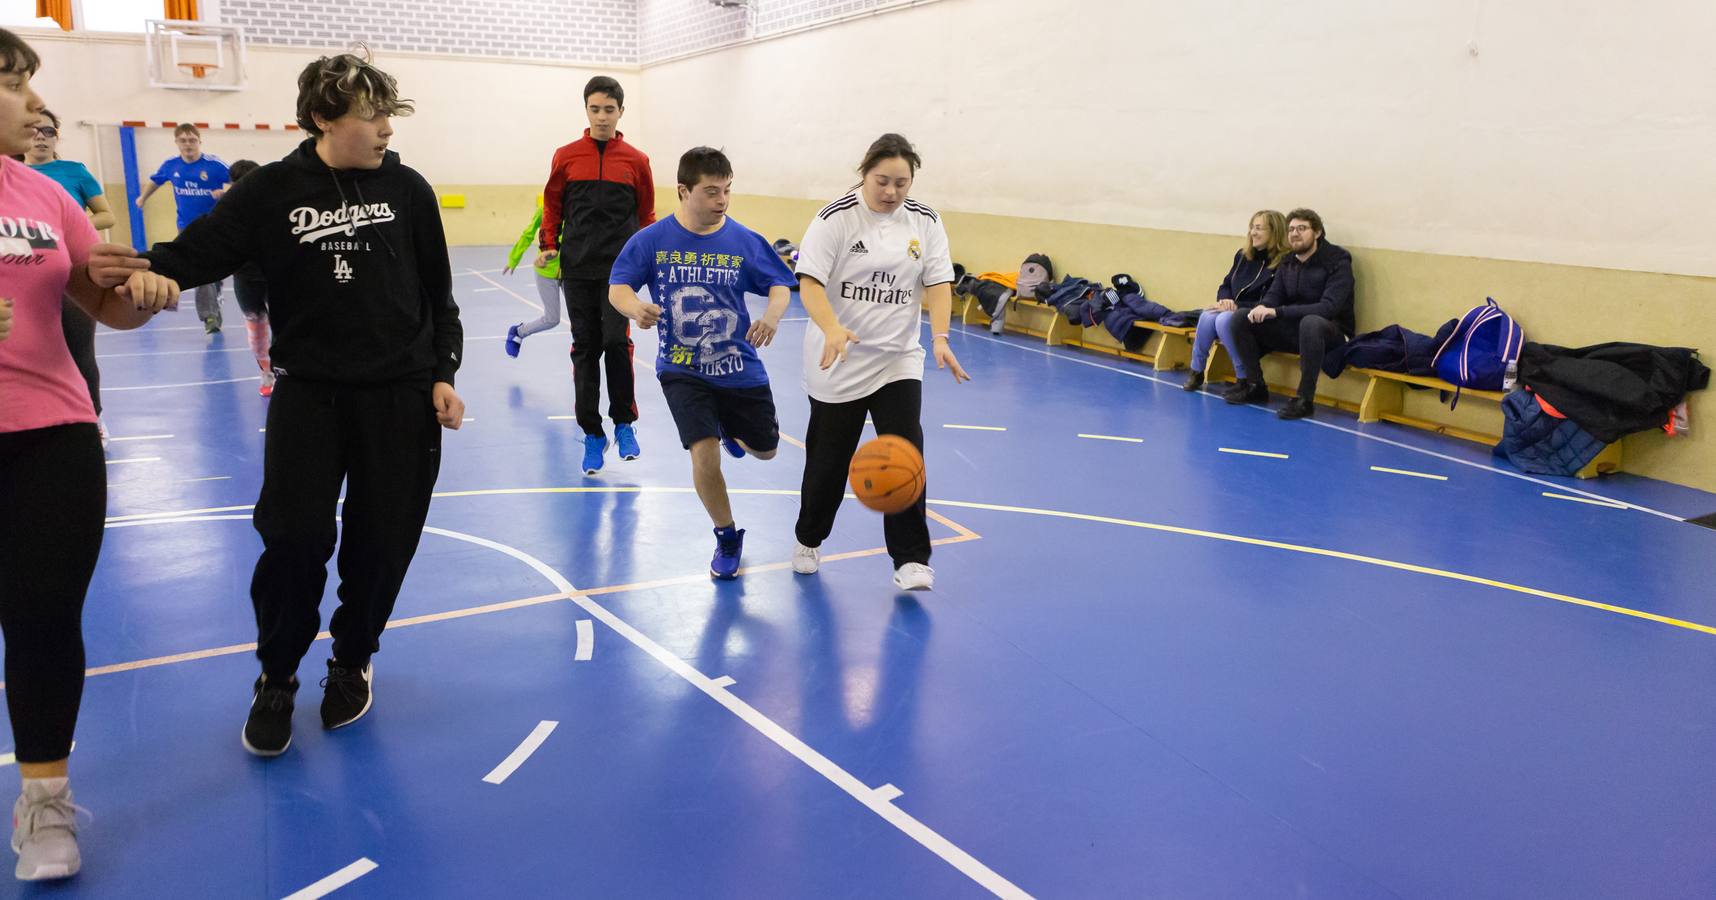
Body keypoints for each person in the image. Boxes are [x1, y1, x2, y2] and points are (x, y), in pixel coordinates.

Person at [140, 52, 466, 758]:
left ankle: (352, 660)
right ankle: (278, 675)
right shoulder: (272, 192)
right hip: (309, 396)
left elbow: (439, 297)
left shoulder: (409, 190)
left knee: (382, 545)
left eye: (389, 115)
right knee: (292, 544)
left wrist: (442, 371)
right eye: (371, 114)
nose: (385, 128)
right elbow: (193, 255)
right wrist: (132, 271)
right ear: (323, 115)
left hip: (401, 398)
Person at [0, 28, 182, 881]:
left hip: (54, 436)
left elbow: (100, 307)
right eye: (20, 85)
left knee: (42, 621)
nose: (38, 105)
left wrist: (136, 291)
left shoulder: (43, 195)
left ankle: (43, 801)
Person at [608, 147, 797, 578]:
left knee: (766, 452)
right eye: (712, 192)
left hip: (738, 367)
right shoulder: (652, 241)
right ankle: (727, 536)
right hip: (681, 368)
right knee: (704, 455)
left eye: (727, 190)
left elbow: (780, 285)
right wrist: (634, 307)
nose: (722, 201)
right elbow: (617, 287)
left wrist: (770, 316)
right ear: (683, 190)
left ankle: (733, 429)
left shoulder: (745, 241)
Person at [791, 133, 968, 592]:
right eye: (882, 181)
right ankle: (809, 537)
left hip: (897, 358)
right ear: (864, 174)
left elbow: (938, 281)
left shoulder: (924, 220)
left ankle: (910, 558)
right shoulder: (836, 218)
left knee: (905, 454)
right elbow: (809, 282)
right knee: (828, 463)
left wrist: (942, 336)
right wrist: (832, 327)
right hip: (839, 358)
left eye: (901, 183)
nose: (891, 192)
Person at [537, 76, 654, 474]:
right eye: (595, 108)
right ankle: (592, 432)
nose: (602, 116)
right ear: (586, 110)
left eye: (609, 109)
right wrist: (548, 243)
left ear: (621, 111)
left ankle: (624, 423)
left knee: (615, 343)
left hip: (619, 272)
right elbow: (552, 205)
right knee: (585, 346)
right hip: (578, 267)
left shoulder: (636, 161)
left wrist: (649, 261)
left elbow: (646, 215)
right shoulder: (566, 156)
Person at [22, 109, 116, 442]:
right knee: (29, 353)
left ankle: (94, 419)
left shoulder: (73, 172)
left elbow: (106, 215)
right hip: (23, 281)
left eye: (48, 131)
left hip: (71, 277)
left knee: (80, 352)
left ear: (56, 136)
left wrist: (63, 232)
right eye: (35, 131)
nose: (41, 137)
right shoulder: (12, 174)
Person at [1215, 208, 1356, 419]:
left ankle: (1304, 399)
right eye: (1291, 229)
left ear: (1317, 232)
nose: (1295, 234)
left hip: (1331, 331)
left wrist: (1277, 311)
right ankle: (1255, 385)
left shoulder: (1338, 261)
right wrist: (1262, 308)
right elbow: (1274, 295)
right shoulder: (1289, 261)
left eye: (1302, 228)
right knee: (1241, 317)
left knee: (1311, 322)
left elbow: (1327, 308)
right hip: (1295, 328)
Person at [136, 123, 230, 333]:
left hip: (215, 226)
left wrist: (224, 191)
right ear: (177, 142)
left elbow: (239, 181)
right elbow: (156, 181)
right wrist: (143, 198)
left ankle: (215, 289)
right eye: (183, 140)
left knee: (212, 270)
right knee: (199, 269)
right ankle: (210, 317)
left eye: (192, 140)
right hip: (186, 228)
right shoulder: (171, 165)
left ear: (199, 142)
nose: (188, 144)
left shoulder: (215, 165)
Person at [1184, 210, 1288, 393]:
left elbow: (1273, 299)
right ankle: (1196, 370)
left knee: (1224, 320)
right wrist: (1225, 300)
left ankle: (1243, 377)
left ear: (1275, 232)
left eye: (1258, 228)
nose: (1253, 233)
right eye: (1251, 228)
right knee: (1208, 316)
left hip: (1258, 315)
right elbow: (1226, 284)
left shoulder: (1283, 263)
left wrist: (1237, 306)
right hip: (1232, 308)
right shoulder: (1242, 256)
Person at [223, 159, 274, 396]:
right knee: (256, 330)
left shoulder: (274, 206)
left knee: (286, 325)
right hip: (245, 278)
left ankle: (287, 369)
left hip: (276, 275)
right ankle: (266, 371)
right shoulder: (228, 210)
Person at [501, 194, 563, 358]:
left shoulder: (577, 211)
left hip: (570, 273)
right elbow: (528, 234)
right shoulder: (545, 210)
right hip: (545, 272)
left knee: (580, 318)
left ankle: (581, 362)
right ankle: (519, 332)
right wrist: (514, 258)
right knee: (552, 319)